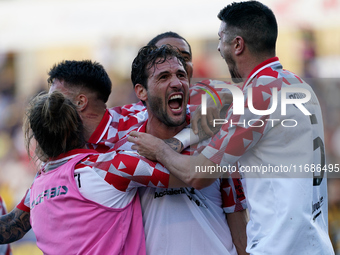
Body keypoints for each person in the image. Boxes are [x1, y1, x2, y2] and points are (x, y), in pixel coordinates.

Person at [128, 1, 335, 255]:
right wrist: (181, 141)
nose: (218, 47)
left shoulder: (258, 96)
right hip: (315, 244)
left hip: (281, 248)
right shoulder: (299, 86)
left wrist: (159, 149)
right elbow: (225, 123)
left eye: (220, 39)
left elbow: (198, 174)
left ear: (237, 45)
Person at [24, 89, 190, 254]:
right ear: (79, 125)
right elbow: (195, 175)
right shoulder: (111, 167)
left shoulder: (35, 189)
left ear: (37, 140)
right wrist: (194, 133)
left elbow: (9, 227)